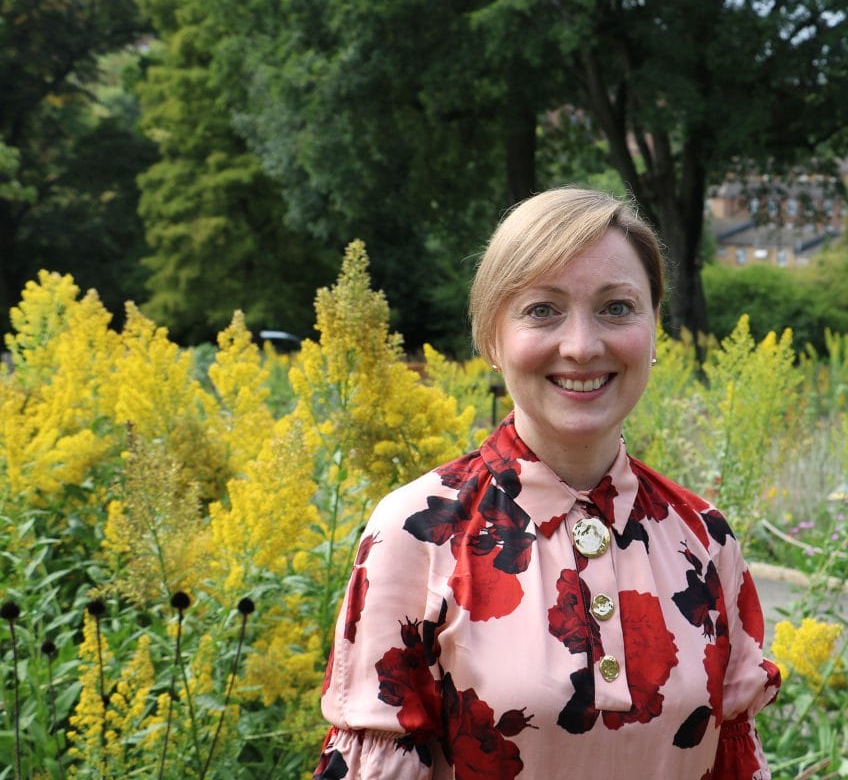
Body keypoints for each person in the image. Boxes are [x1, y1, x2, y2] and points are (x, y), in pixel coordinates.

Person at [314, 187, 780, 779]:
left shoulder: (705, 539)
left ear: (655, 329)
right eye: (542, 310)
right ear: (491, 337)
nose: (583, 346)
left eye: (617, 307)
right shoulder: (417, 533)